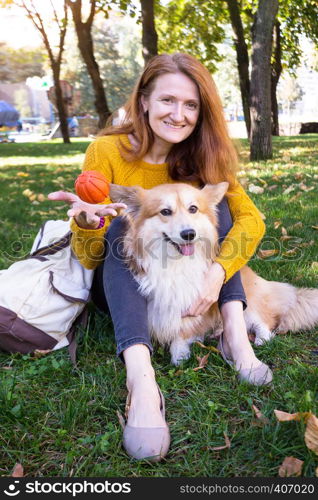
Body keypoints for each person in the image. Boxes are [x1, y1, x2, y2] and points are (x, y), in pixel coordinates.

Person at [48, 53, 272, 462]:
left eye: (191, 105)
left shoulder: (204, 155)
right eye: (168, 100)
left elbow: (252, 222)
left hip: (185, 274)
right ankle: (142, 379)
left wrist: (218, 272)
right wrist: (86, 223)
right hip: (120, 281)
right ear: (144, 100)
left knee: (212, 213)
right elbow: (88, 257)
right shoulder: (107, 151)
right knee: (123, 224)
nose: (179, 114)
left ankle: (236, 338)